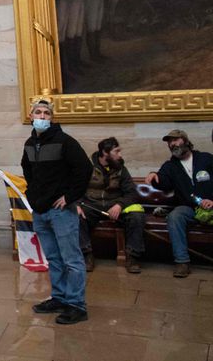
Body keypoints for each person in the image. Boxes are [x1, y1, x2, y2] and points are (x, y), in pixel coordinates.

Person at [22, 98, 92, 324]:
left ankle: (76, 304)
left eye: (46, 114)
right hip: (40, 210)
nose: (42, 117)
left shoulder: (65, 141)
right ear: (31, 116)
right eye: (38, 113)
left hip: (61, 211)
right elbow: (28, 170)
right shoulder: (30, 144)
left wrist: (70, 196)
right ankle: (60, 298)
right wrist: (32, 195)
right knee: (53, 258)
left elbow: (84, 169)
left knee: (71, 258)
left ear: (51, 118)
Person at [144, 130, 213, 278]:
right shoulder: (170, 166)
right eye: (169, 142)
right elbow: (163, 181)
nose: (172, 144)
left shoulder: (206, 159)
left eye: (175, 140)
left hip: (211, 205)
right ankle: (182, 262)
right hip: (189, 208)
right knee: (175, 216)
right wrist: (154, 176)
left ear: (186, 141)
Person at [77, 137, 144, 273]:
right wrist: (77, 204)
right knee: (76, 216)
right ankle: (86, 255)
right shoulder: (87, 167)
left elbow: (132, 193)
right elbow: (75, 189)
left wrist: (120, 205)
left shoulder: (121, 169)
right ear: (105, 152)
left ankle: (133, 257)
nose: (120, 155)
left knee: (136, 216)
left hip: (115, 205)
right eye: (116, 151)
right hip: (92, 205)